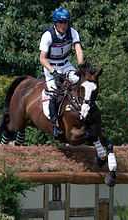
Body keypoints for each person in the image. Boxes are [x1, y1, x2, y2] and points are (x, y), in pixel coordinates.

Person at [39, 6, 84, 137]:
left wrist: (80, 65)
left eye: (65, 22)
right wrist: (53, 72)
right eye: (61, 22)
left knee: (80, 83)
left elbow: (78, 49)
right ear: (55, 23)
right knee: (54, 93)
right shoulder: (48, 35)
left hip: (66, 65)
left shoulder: (73, 32)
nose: (63, 25)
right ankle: (55, 125)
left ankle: (83, 113)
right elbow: (42, 58)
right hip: (51, 67)